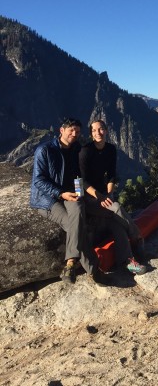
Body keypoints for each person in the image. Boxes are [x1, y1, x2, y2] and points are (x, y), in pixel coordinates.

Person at [30, 118, 111, 285]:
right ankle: (91, 269)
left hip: (70, 193)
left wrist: (80, 193)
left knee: (79, 207)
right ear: (62, 130)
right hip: (47, 199)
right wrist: (60, 193)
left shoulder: (76, 149)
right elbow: (38, 180)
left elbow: (77, 176)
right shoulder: (44, 150)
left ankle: (71, 264)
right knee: (72, 223)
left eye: (78, 132)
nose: (74, 134)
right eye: (71, 130)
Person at [79, 119, 147, 273]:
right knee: (115, 208)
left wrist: (109, 194)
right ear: (91, 134)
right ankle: (137, 238)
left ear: (106, 130)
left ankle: (127, 262)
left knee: (116, 223)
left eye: (101, 129)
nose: (98, 133)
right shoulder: (86, 151)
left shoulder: (110, 149)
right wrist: (100, 197)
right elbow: (81, 181)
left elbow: (111, 175)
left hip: (103, 194)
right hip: (89, 196)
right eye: (94, 130)